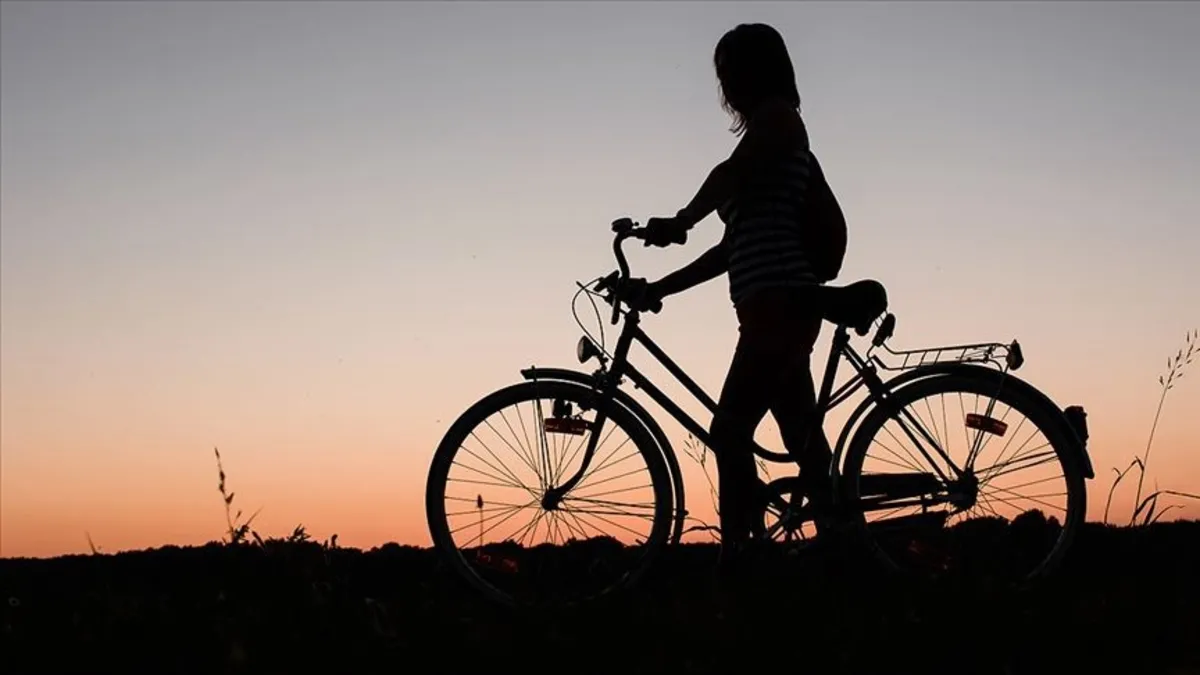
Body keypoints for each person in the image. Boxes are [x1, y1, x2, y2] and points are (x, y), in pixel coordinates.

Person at [625, 23, 848, 568]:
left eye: (733, 69)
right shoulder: (765, 142)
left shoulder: (779, 123)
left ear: (761, 70)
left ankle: (740, 559)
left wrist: (680, 220)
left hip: (781, 303)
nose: (726, 82)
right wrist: (660, 288)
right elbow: (730, 250)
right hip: (773, 307)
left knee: (729, 432)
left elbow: (729, 174)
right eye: (722, 72)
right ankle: (847, 552)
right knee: (802, 439)